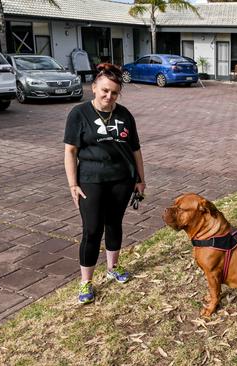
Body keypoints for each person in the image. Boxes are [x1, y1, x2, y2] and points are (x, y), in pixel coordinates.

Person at [63, 63, 146, 304]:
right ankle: (86, 281)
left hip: (122, 180)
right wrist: (72, 184)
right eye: (105, 91)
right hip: (90, 181)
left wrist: (141, 179)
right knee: (91, 230)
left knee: (114, 224)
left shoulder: (124, 115)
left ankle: (113, 268)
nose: (109, 96)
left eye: (114, 93)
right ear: (94, 88)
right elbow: (70, 152)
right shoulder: (78, 114)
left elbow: (136, 150)